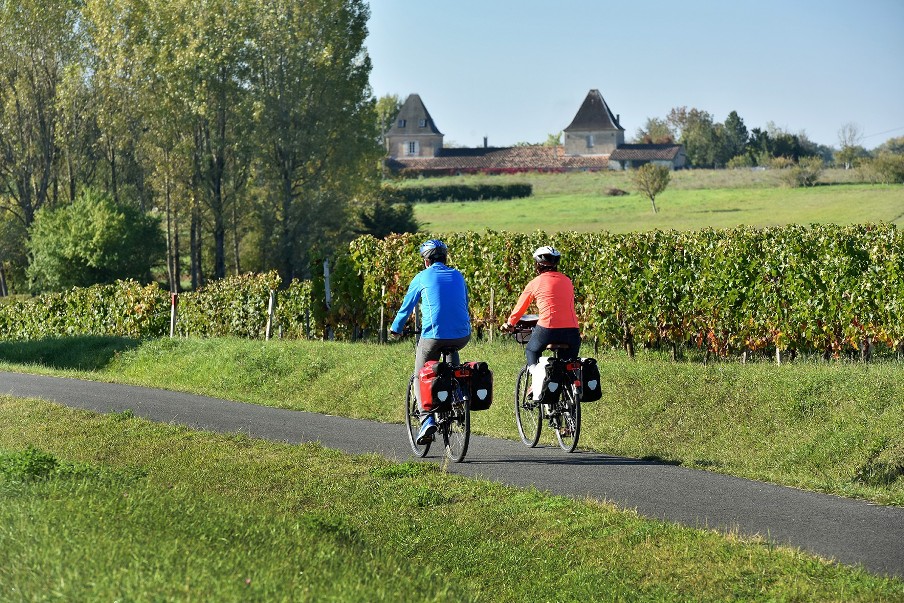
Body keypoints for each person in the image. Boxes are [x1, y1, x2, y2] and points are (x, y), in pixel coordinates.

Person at [390, 239, 471, 444]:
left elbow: (406, 307)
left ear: (426, 261)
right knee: (453, 358)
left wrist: (396, 329)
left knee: (420, 374)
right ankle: (459, 394)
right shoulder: (458, 276)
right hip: (463, 335)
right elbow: (464, 302)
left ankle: (426, 420)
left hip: (433, 336)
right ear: (445, 258)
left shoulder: (421, 277)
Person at [502, 246, 580, 366]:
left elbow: (520, 307)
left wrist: (510, 324)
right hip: (572, 331)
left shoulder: (535, 282)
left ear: (538, 265)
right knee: (568, 365)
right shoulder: (567, 281)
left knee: (531, 350)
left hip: (548, 328)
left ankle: (535, 381)